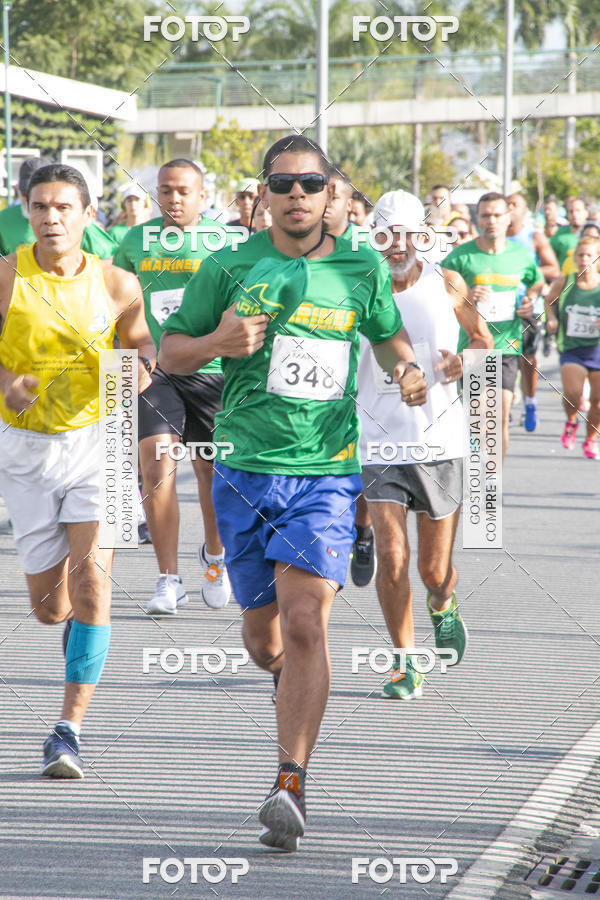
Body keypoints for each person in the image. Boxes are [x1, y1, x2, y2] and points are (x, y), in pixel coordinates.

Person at [159, 134, 427, 852]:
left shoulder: (359, 265)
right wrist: (218, 340)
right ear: (264, 195)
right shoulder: (229, 265)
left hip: (327, 472)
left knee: (307, 620)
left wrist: (406, 371)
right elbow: (170, 352)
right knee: (263, 637)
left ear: (328, 191)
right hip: (246, 472)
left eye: (311, 183)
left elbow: (390, 338)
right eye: (284, 184)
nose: (298, 195)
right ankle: (287, 681)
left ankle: (291, 779)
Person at [0, 164, 154, 777]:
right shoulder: (8, 273)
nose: (51, 218)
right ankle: (72, 636)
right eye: (40, 207)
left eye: (64, 207)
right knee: (49, 606)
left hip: (100, 442)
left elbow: (140, 345)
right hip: (27, 447)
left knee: (95, 584)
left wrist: (140, 369)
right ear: (26, 211)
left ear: (90, 216)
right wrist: (8, 384)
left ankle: (68, 730)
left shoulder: (118, 283)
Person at [356, 190, 493, 698]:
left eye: (408, 235)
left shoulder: (445, 282)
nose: (397, 246)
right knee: (392, 554)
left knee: (435, 570)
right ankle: (404, 660)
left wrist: (465, 362)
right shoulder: (359, 286)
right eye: (386, 235)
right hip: (379, 439)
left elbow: (482, 339)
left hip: (440, 439)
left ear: (422, 237)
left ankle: (442, 604)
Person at [113, 158, 232, 614]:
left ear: (203, 197)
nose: (174, 199)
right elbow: (114, 302)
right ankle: (169, 579)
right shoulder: (135, 241)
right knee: (156, 464)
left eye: (184, 191)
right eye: (165, 190)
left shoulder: (222, 243)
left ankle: (215, 559)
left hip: (213, 370)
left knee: (211, 475)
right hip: (156, 368)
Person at [444, 192, 544, 462]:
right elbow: (440, 295)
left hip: (508, 345)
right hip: (472, 346)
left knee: (498, 415)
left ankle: (491, 481)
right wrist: (466, 295)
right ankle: (475, 467)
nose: (492, 221)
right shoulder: (460, 258)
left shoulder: (521, 256)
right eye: (486, 215)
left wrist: (530, 300)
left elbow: (536, 282)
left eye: (498, 215)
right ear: (477, 218)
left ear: (508, 218)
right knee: (478, 420)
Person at [506, 192, 560, 431]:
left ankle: (529, 401)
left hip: (528, 307)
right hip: (499, 308)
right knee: (499, 356)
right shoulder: (488, 239)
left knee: (526, 358)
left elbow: (553, 268)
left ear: (524, 211)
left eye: (514, 204)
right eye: (506, 204)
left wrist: (526, 270)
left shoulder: (533, 236)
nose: (509, 208)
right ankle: (502, 407)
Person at [545, 236, 600, 459]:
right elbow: (549, 301)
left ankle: (590, 439)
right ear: (575, 257)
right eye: (581, 255)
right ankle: (571, 421)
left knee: (597, 402)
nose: (584, 259)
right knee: (573, 393)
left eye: (589, 255)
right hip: (572, 348)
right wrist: (551, 319)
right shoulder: (565, 281)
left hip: (597, 349)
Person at [0, 158, 118, 260]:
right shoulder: (4, 220)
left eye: (61, 207)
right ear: (18, 189)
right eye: (26, 193)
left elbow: (110, 258)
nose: (50, 219)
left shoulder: (77, 220)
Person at [551, 197, 587, 271]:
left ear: (586, 212)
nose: (574, 214)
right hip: (565, 279)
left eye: (578, 211)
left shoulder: (594, 232)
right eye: (571, 211)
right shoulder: (560, 234)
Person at [323, 168, 355, 238]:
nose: (326, 203)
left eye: (334, 198)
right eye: (322, 198)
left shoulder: (364, 243)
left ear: (349, 205)